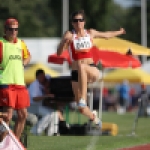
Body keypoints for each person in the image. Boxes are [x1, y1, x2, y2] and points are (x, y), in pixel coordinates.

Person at [57, 10, 125, 127]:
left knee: (82, 66)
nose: (78, 23)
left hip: (91, 69)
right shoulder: (69, 35)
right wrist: (63, 41)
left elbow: (106, 35)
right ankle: (95, 118)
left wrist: (119, 31)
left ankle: (83, 98)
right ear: (72, 23)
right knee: (81, 108)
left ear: (84, 22)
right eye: (75, 20)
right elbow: (59, 53)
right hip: (76, 74)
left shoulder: (90, 33)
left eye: (80, 20)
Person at [0, 18, 31, 140]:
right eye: (10, 29)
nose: (13, 32)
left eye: (16, 29)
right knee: (8, 116)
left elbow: (28, 56)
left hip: (20, 84)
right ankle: (2, 143)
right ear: (5, 30)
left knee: (23, 114)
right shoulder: (1, 43)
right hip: (6, 83)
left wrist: (24, 63)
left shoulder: (21, 43)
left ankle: (15, 143)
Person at [28, 69, 63, 136]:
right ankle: (35, 131)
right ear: (37, 77)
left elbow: (49, 77)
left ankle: (51, 133)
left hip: (39, 106)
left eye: (43, 77)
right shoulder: (34, 85)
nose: (43, 79)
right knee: (48, 114)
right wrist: (46, 96)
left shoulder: (42, 83)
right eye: (41, 77)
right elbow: (34, 98)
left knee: (54, 113)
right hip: (32, 106)